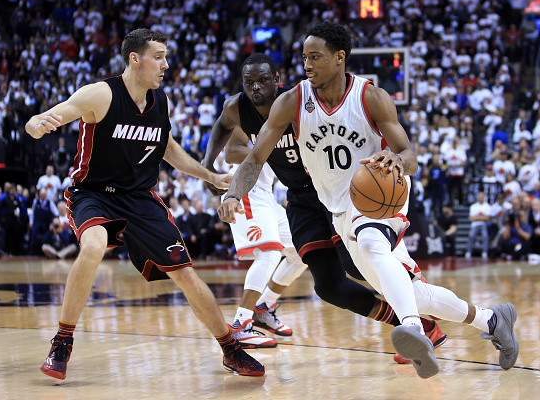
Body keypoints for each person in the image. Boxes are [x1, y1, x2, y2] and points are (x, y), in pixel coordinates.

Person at [217, 22, 519, 379]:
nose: (307, 65)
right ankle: (492, 319)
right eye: (304, 58)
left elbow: (409, 155)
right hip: (339, 208)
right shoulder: (293, 101)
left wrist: (398, 159)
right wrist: (234, 191)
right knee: (410, 292)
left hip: (381, 192)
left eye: (315, 57)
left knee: (373, 242)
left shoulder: (370, 97)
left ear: (339, 57)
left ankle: (413, 330)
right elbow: (255, 157)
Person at [25, 28, 264, 380]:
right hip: (92, 193)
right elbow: (39, 121)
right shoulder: (100, 94)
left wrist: (210, 177)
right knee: (93, 246)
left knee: (185, 272)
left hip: (139, 198)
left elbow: (168, 149)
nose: (166, 64)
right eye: (159, 56)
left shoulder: (160, 101)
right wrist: (36, 124)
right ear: (135, 60)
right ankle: (62, 341)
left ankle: (230, 348)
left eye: (166, 57)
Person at [202, 52, 447, 366]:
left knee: (362, 268)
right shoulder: (237, 108)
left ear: (276, 80)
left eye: (263, 79)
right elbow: (224, 130)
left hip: (332, 192)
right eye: (249, 82)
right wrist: (209, 164)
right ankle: (417, 327)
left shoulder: (297, 103)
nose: (257, 87)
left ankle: (421, 316)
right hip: (299, 200)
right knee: (330, 287)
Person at [222, 161, 308, 347]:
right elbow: (231, 151)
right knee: (269, 254)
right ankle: (240, 325)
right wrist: (208, 167)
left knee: (301, 253)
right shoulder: (255, 131)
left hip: (265, 193)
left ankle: (263, 307)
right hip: (245, 188)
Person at [466, 191, 491, 259]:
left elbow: (487, 218)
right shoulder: (473, 206)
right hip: (475, 225)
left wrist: (477, 217)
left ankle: (484, 252)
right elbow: (471, 218)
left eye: (482, 197)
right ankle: (468, 252)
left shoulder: (487, 206)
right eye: (479, 197)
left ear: (484, 197)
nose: (480, 198)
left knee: (485, 236)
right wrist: (482, 217)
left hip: (484, 225)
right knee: (471, 235)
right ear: (477, 197)